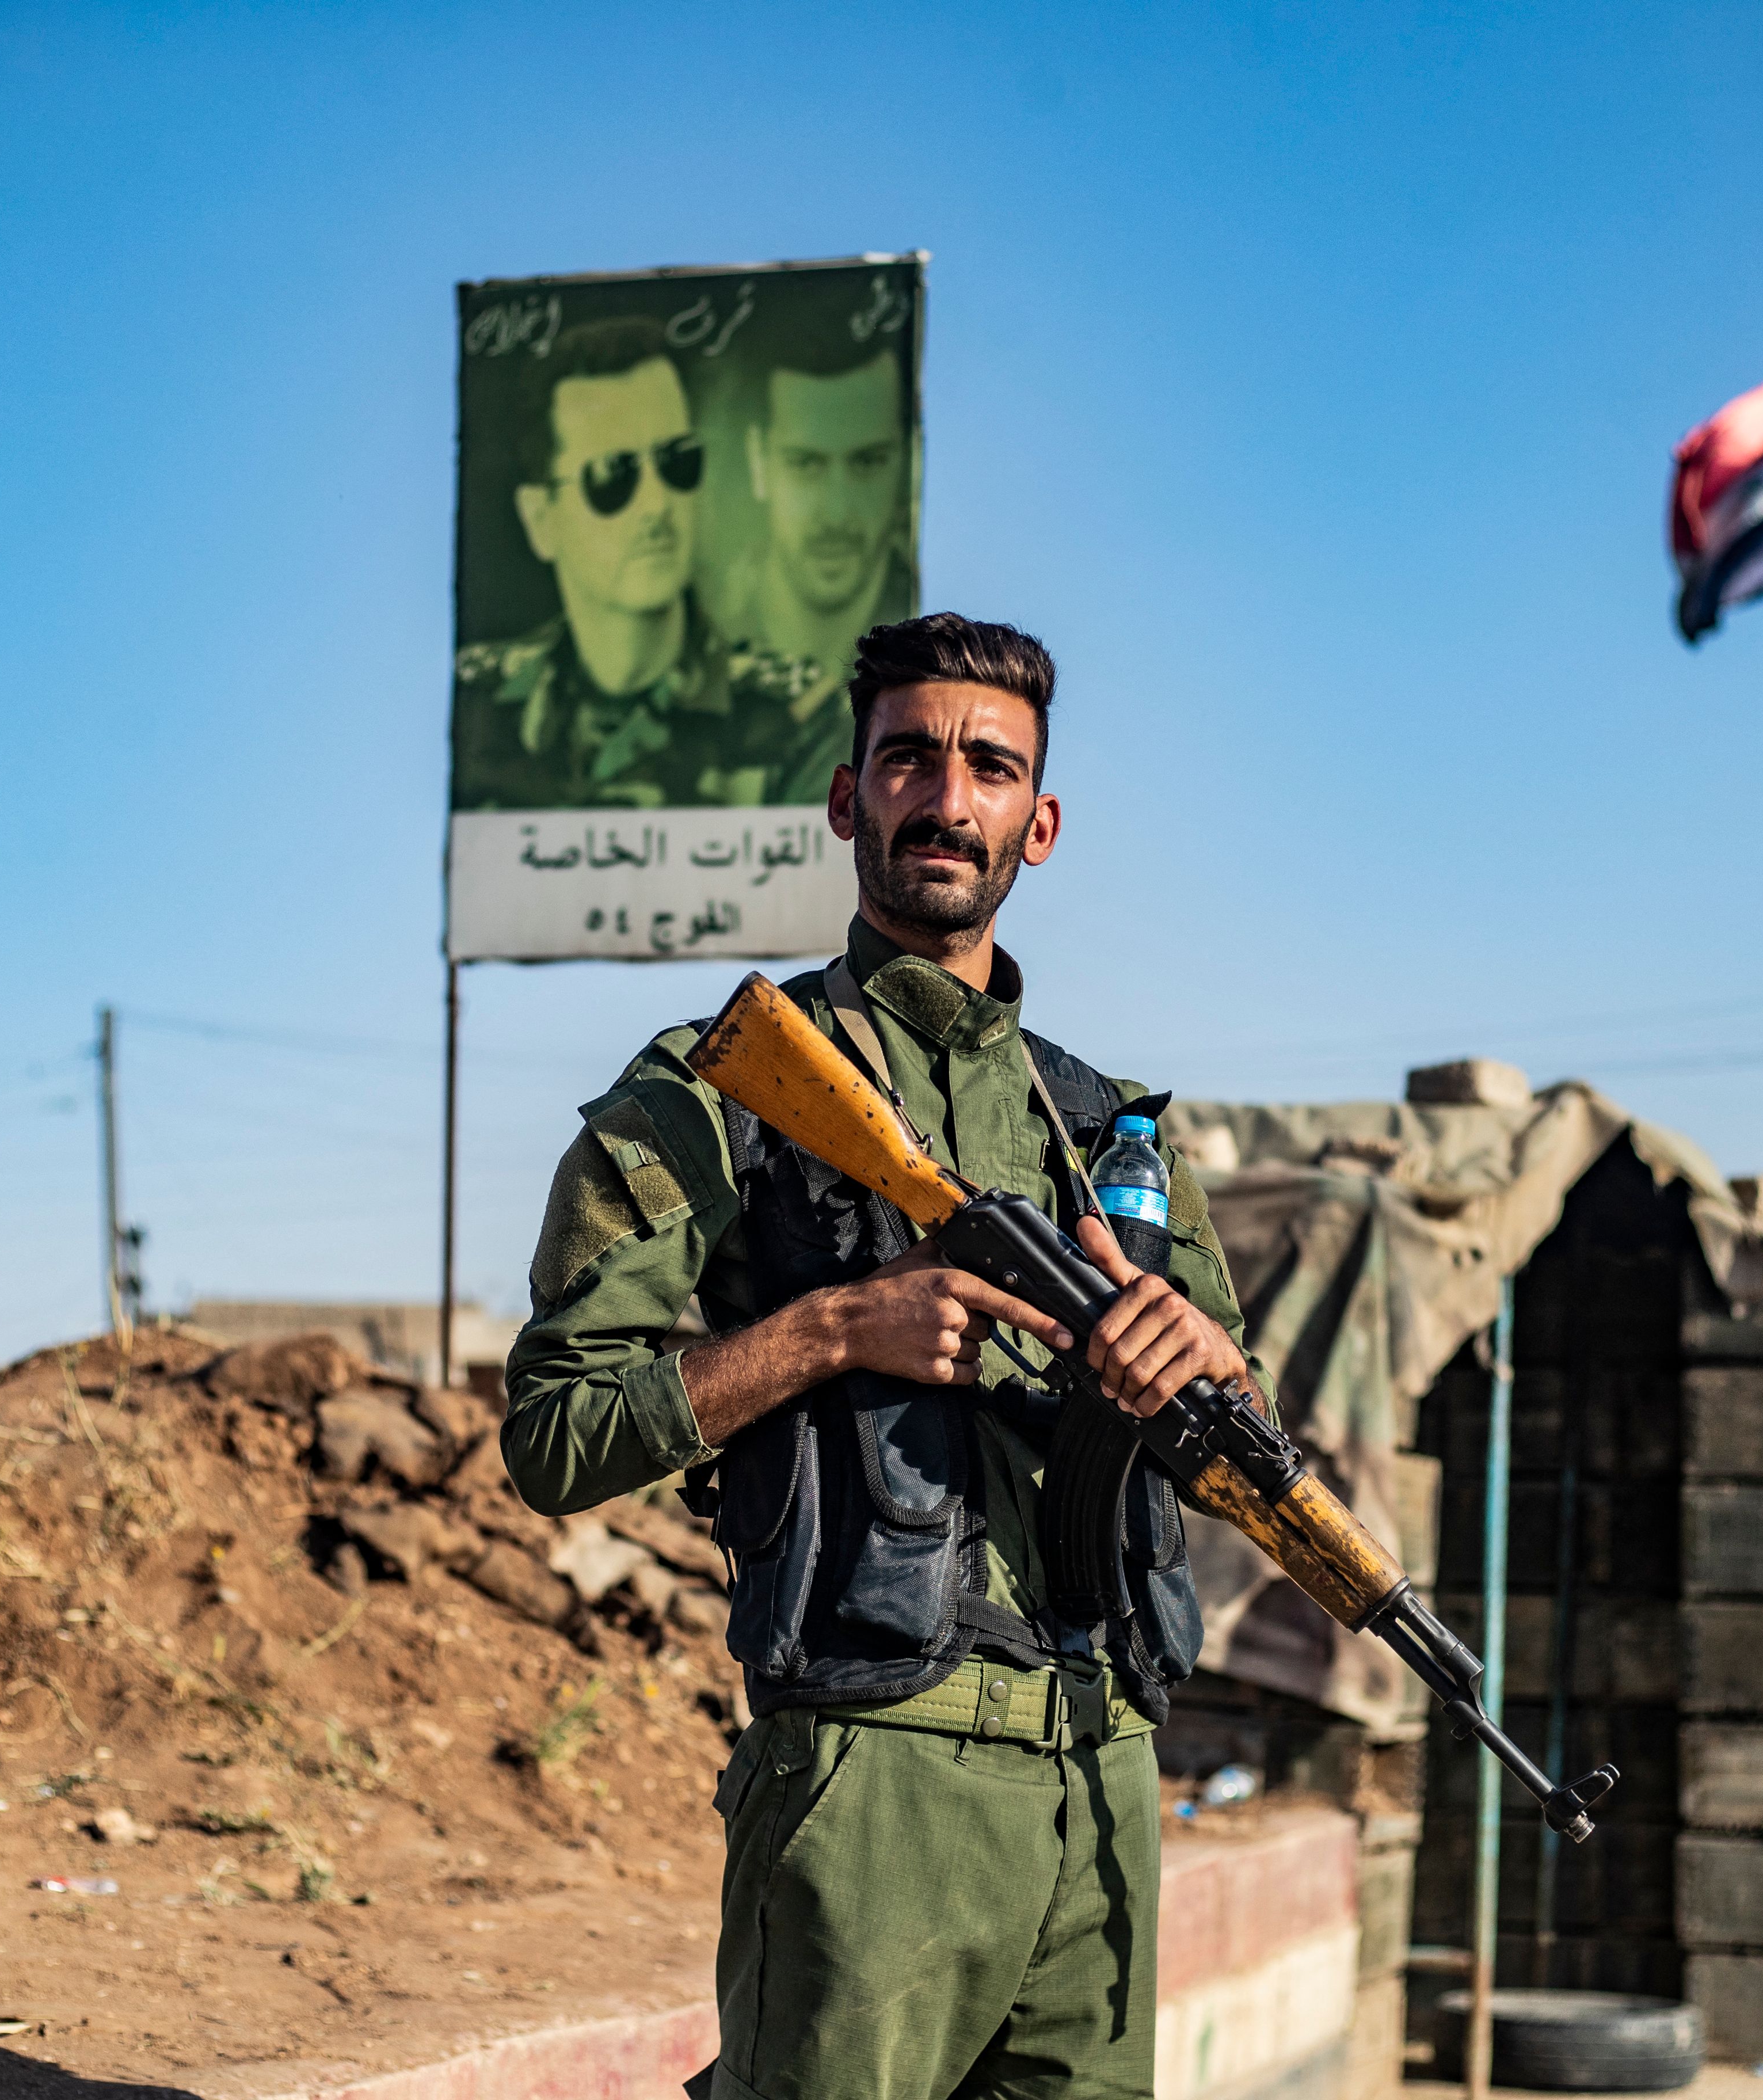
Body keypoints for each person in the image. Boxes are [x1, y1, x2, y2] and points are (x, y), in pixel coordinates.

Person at [501, 614, 1268, 2100]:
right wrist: (836, 1328)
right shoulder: (723, 1087)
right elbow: (556, 1432)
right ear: (848, 800)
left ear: (1038, 826)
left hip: (1103, 1781)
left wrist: (1209, 1380)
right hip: (871, 1783)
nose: (948, 795)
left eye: (990, 767)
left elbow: (1247, 1473)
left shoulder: (1114, 1133)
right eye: (908, 757)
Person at [454, 317, 843, 811]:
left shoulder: (795, 718)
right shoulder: (479, 702)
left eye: (676, 461)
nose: (657, 503)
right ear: (540, 519)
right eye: (612, 476)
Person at [722, 329, 917, 673]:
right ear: (758, 462)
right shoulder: (700, 643)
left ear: (905, 462)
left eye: (868, 462)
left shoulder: (942, 675)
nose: (836, 513)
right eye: (805, 464)